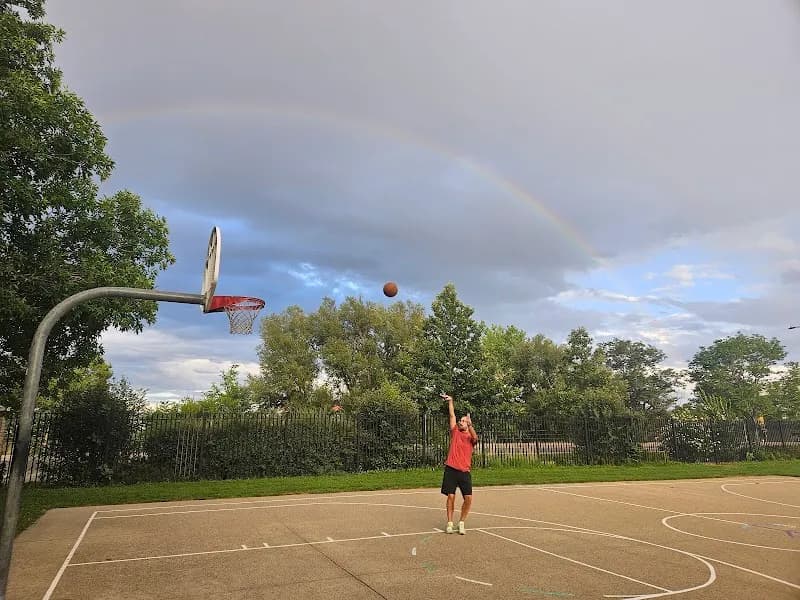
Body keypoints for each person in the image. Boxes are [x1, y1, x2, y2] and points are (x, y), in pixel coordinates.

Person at [440, 393, 478, 535]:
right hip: (451, 469)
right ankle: (450, 523)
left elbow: (475, 437)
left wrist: (470, 424)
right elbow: (452, 416)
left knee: (468, 498)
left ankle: (461, 523)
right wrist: (450, 401)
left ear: (468, 424)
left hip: (464, 471)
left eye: (463, 421)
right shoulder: (455, 431)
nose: (460, 422)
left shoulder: (470, 437)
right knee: (451, 496)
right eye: (461, 420)